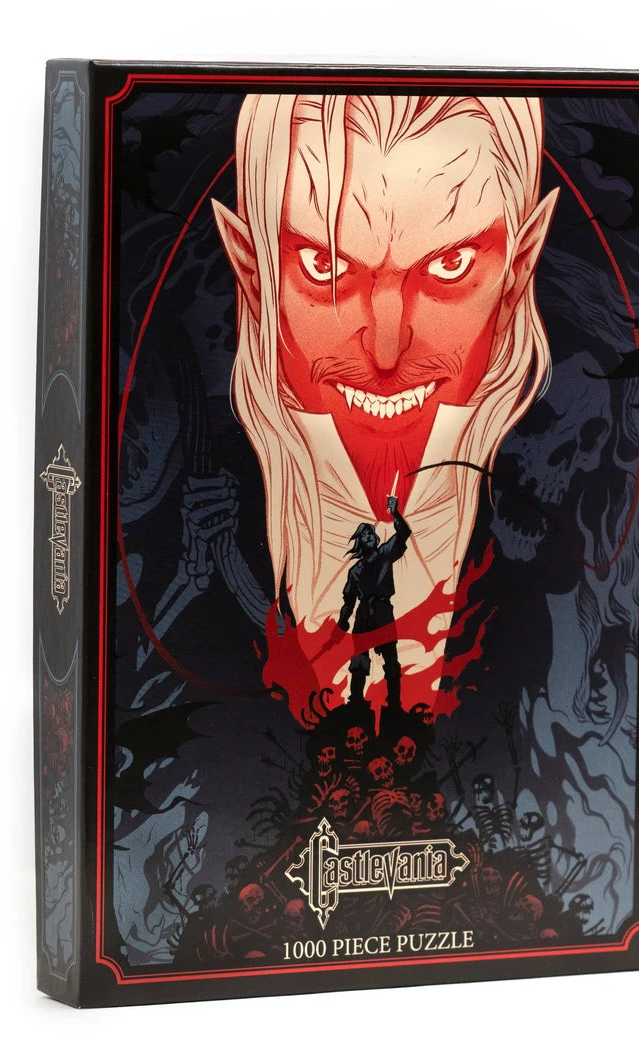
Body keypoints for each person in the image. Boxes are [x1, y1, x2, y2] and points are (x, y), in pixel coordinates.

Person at [214, 93, 557, 687]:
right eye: (326, 268)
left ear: (518, 268)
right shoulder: (203, 528)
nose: (387, 349)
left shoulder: (552, 529)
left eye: (449, 266)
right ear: (253, 273)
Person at [338, 495, 411, 711]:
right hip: (363, 617)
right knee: (359, 662)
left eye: (370, 533)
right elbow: (349, 600)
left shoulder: (384, 554)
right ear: (360, 542)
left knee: (391, 660)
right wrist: (343, 620)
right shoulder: (355, 571)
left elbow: (404, 534)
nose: (368, 536)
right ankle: (356, 703)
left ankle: (394, 705)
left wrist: (395, 513)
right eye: (364, 535)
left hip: (383, 612)